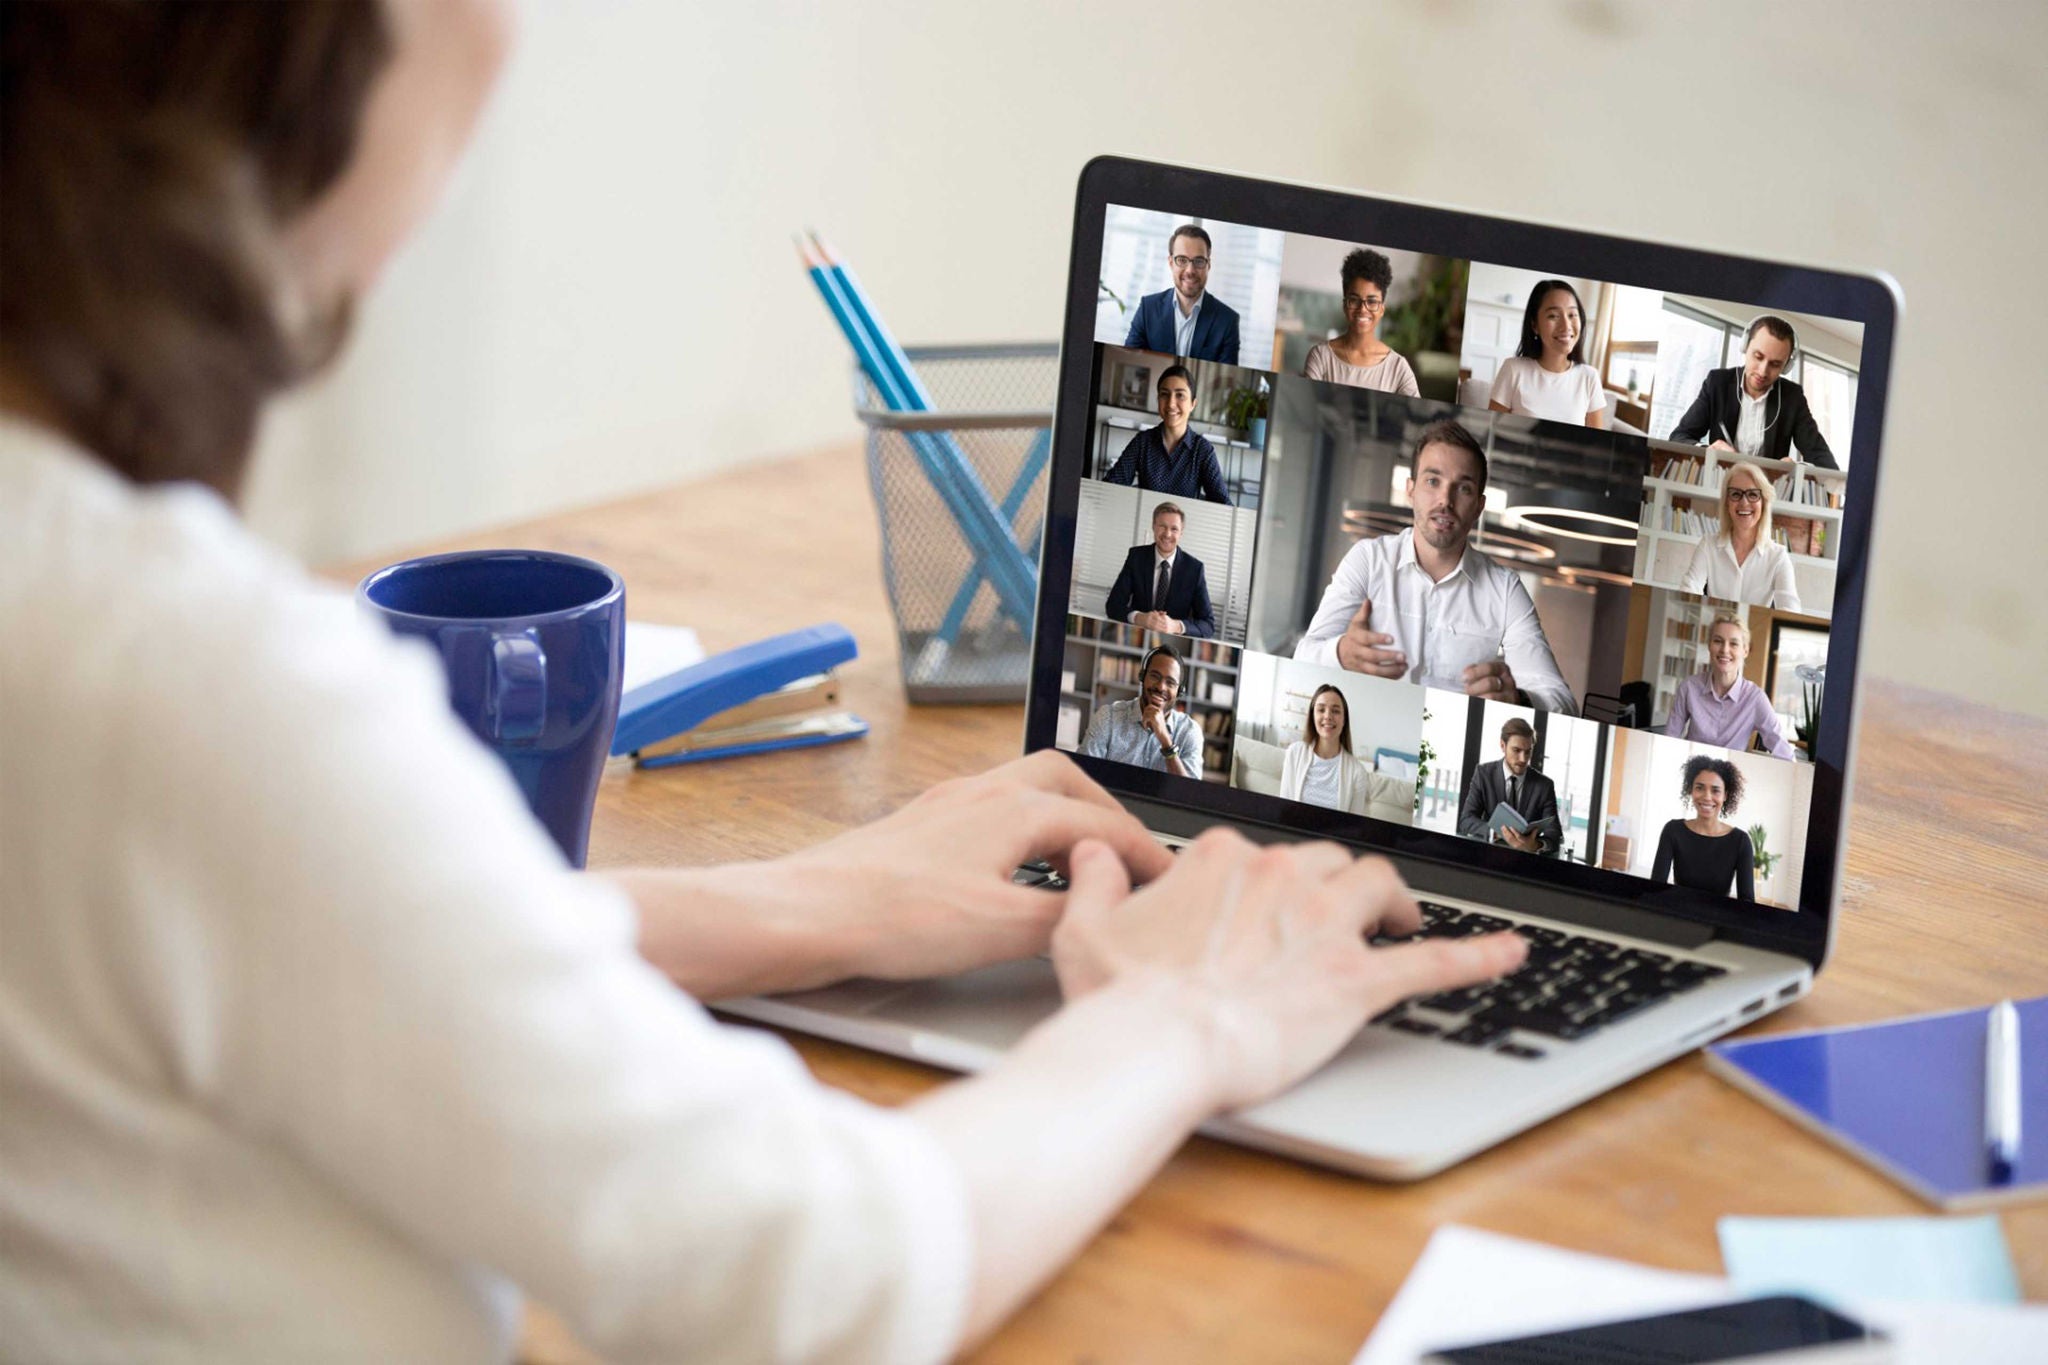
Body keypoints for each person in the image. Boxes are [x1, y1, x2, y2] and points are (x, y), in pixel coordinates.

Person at [0, 4, 1530, 1360]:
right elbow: (810, 1279)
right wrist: (1183, 1016)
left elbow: (249, 934)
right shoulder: (175, 682)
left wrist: (785, 904)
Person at [1293, 419, 1578, 714]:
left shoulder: (1505, 589)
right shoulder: (1367, 559)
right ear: (1410, 489)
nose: (1445, 500)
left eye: (1463, 488)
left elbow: (1562, 700)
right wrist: (1341, 654)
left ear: (1479, 507)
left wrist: (1519, 700)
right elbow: (1303, 655)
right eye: (1433, 481)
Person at [1667, 316, 1838, 470]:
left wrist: (1797, 468)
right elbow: (1679, 437)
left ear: (1786, 366)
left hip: (1766, 494)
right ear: (1745, 347)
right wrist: (1708, 451)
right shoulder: (1718, 383)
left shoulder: (1792, 397)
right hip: (1718, 484)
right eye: (1758, 356)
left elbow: (1824, 461)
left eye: (1775, 364)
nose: (1763, 372)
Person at [1677, 459, 1801, 611]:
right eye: (1735, 494)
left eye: (1753, 494)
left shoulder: (1779, 557)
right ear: (1727, 503)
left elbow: (1790, 610)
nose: (1744, 502)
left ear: (1763, 503)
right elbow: (1689, 588)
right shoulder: (1708, 545)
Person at [1666, 615, 1796, 759]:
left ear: (1745, 651)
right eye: (1718, 641)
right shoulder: (1689, 687)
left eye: (1734, 644)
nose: (1724, 650)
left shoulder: (1755, 698)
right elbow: (1669, 738)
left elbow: (1785, 754)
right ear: (1709, 645)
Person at [1100, 364, 1232, 504]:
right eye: (1164, 394)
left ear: (1193, 404)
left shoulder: (1202, 450)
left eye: (1180, 395)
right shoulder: (1143, 442)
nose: (1171, 404)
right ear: (1158, 400)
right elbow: (1111, 486)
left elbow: (1223, 505)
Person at [1278, 684, 1413, 817]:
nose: (1328, 716)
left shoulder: (1357, 772)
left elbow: (1352, 826)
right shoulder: (1294, 753)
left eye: (1335, 711)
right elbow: (1284, 809)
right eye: (1321, 710)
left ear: (1344, 720)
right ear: (1313, 716)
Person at [1486, 279, 1606, 428]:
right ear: (1535, 325)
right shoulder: (1513, 369)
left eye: (1572, 315)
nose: (1566, 326)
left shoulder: (1590, 377)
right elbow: (1491, 429)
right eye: (1553, 316)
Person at [1301, 248, 1421, 396]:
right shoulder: (1320, 357)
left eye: (1372, 301)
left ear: (1382, 309)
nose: (1362, 309)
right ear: (1344, 304)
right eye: (1354, 300)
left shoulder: (1398, 368)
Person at [1075, 645, 1205, 779]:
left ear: (1179, 691)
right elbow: (1082, 776)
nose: (1161, 687)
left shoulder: (1190, 732)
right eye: (1155, 676)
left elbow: (1189, 795)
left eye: (1170, 683)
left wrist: (1166, 741)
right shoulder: (1108, 717)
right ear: (1142, 677)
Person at [1121, 223, 1241, 364]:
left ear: (1208, 265)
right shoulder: (1148, 308)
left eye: (1199, 261)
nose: (1190, 270)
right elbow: (1128, 360)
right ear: (1171, 263)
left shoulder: (1228, 321)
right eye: (1182, 260)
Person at [1103, 501, 1216, 638]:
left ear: (1181, 533)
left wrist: (1175, 626)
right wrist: (1140, 618)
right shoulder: (1136, 557)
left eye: (1174, 529)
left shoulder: (1194, 569)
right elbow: (1113, 606)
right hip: (1136, 636)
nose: (1167, 534)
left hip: (1173, 642)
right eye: (1162, 526)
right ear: (1153, 527)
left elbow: (1208, 625)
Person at [1651, 755, 1756, 900]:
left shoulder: (1740, 841)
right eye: (1699, 788)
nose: (1707, 797)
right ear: (1691, 790)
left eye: (1715, 790)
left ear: (1725, 795)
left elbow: (1747, 902)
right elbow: (1654, 889)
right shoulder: (1673, 830)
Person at [1456, 718, 1561, 855]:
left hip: (1526, 861)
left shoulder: (1545, 785)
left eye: (1528, 752)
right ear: (1502, 745)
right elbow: (1466, 820)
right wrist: (1496, 833)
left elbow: (1554, 833)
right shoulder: (1484, 774)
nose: (1523, 759)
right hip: (1489, 855)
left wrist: (1535, 845)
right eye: (1516, 750)